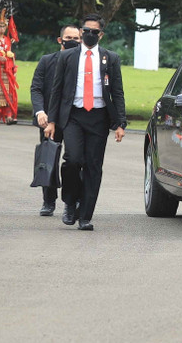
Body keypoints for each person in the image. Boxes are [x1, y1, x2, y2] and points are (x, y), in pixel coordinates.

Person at [44, 14, 126, 231]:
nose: (90, 34)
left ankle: (85, 215)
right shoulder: (67, 57)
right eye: (86, 31)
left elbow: (117, 92)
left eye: (94, 32)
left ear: (101, 35)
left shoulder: (111, 58)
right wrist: (52, 121)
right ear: (81, 32)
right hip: (73, 116)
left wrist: (120, 123)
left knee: (93, 166)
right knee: (72, 160)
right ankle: (70, 202)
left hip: (99, 117)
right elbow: (57, 90)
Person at [30, 24, 81, 216]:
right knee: (48, 158)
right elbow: (36, 88)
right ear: (60, 40)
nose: (72, 42)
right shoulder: (46, 61)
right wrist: (40, 112)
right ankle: (48, 201)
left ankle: (72, 200)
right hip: (48, 119)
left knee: (74, 160)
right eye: (68, 38)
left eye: (76, 39)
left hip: (73, 120)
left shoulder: (83, 63)